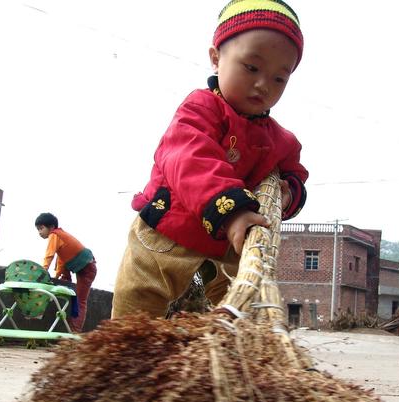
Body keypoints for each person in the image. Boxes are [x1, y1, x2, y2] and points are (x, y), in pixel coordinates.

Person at [112, 0, 308, 318]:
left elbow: (294, 172)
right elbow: (190, 158)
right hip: (169, 229)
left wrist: (287, 194)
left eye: (279, 79)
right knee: (138, 302)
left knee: (242, 310)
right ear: (216, 59)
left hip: (227, 247)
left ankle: (238, 354)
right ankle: (126, 357)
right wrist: (232, 212)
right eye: (252, 68)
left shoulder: (278, 138)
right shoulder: (201, 109)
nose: (263, 85)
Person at [35, 212, 97, 332]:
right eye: (38, 229)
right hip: (84, 266)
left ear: (51, 227)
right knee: (73, 295)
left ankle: (75, 331)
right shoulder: (60, 238)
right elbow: (62, 261)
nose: (39, 232)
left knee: (80, 300)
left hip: (87, 268)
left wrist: (43, 271)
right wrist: (57, 277)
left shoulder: (55, 234)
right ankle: (71, 328)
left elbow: (49, 255)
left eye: (41, 228)